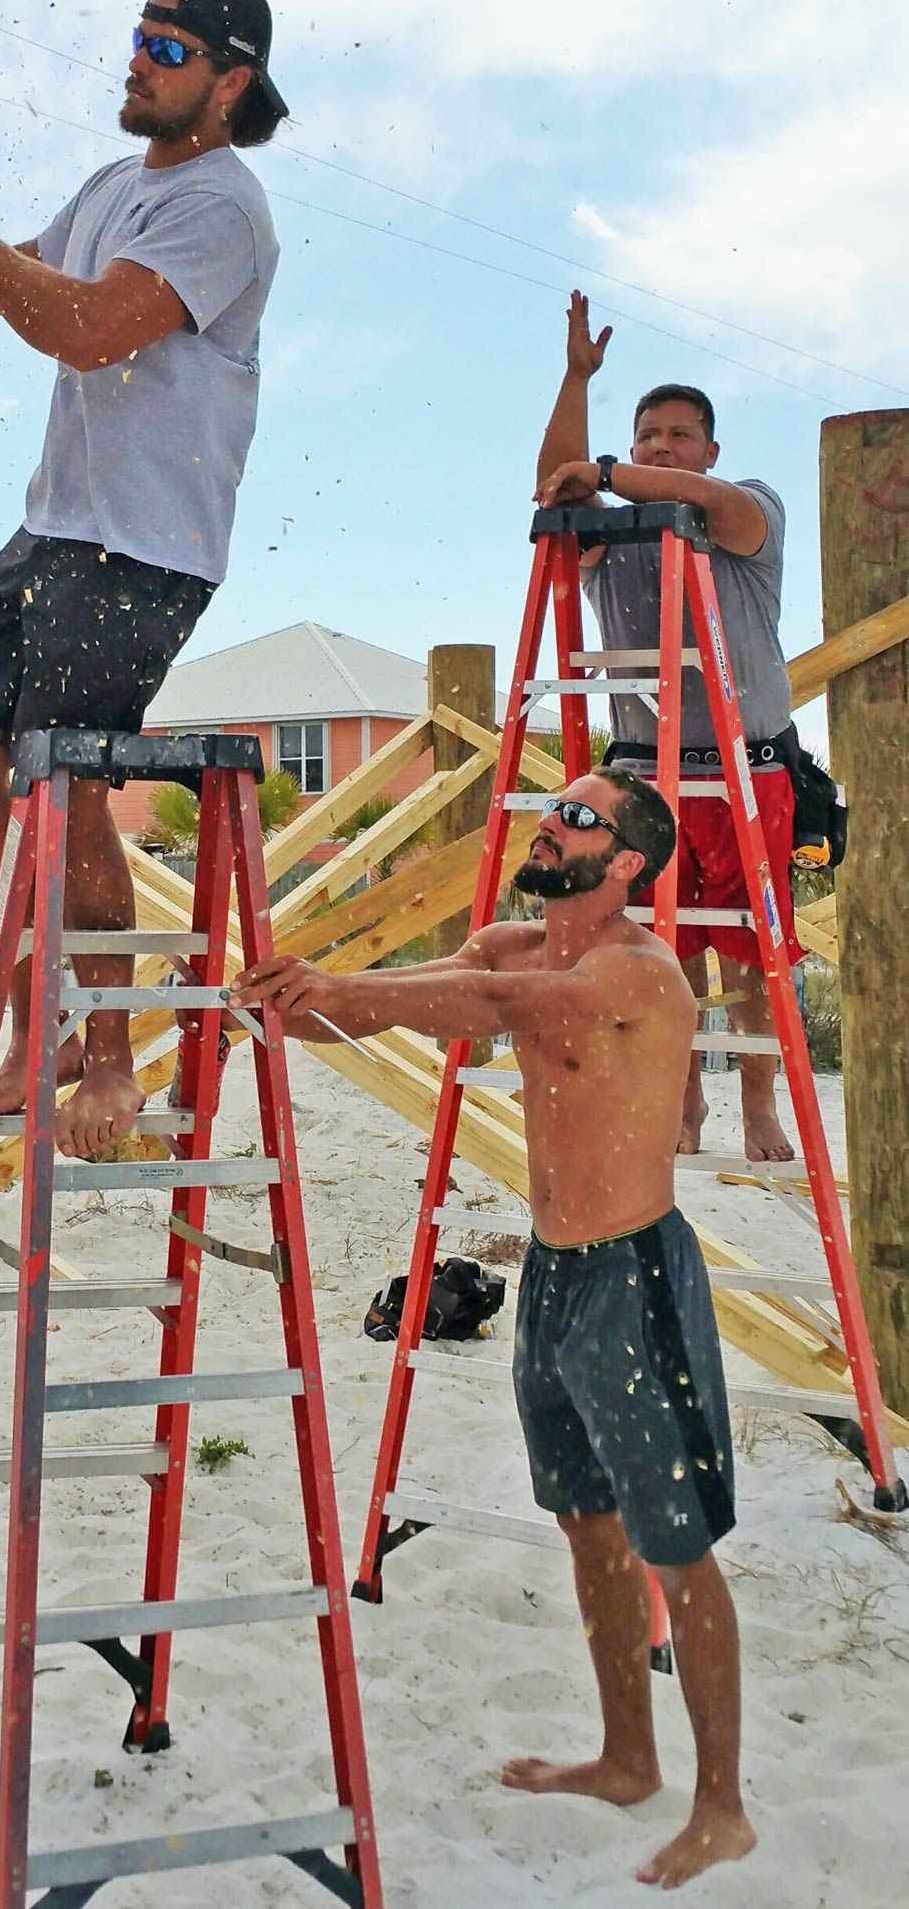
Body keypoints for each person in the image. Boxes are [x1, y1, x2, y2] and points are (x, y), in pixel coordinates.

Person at [230, 771, 757, 1890]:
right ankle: (626, 1756)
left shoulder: (636, 970)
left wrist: (338, 985)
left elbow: (489, 1015)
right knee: (585, 1524)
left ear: (623, 863)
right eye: (552, 805)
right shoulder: (514, 942)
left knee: (678, 1548)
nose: (550, 821)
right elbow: (411, 995)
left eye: (580, 817)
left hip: (635, 1277)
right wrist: (292, 993)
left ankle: (724, 1805)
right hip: (556, 1277)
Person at [0, 0, 284, 1157]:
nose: (138, 58)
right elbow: (15, 291)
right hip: (58, 523)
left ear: (230, 77)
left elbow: (86, 328)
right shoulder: (113, 185)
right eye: (137, 35)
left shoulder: (220, 206)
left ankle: (105, 1053)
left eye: (167, 44)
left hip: (148, 543)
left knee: (65, 782)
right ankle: (42, 1017)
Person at [533, 293, 802, 1161]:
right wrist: (577, 381)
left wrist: (610, 469)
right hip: (647, 774)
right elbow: (557, 491)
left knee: (752, 952)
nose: (660, 447)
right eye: (649, 433)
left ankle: (759, 1105)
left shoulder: (747, 509)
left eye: (677, 435)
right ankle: (684, 1108)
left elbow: (690, 496)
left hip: (745, 768)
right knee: (665, 950)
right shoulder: (623, 527)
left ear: (711, 449)